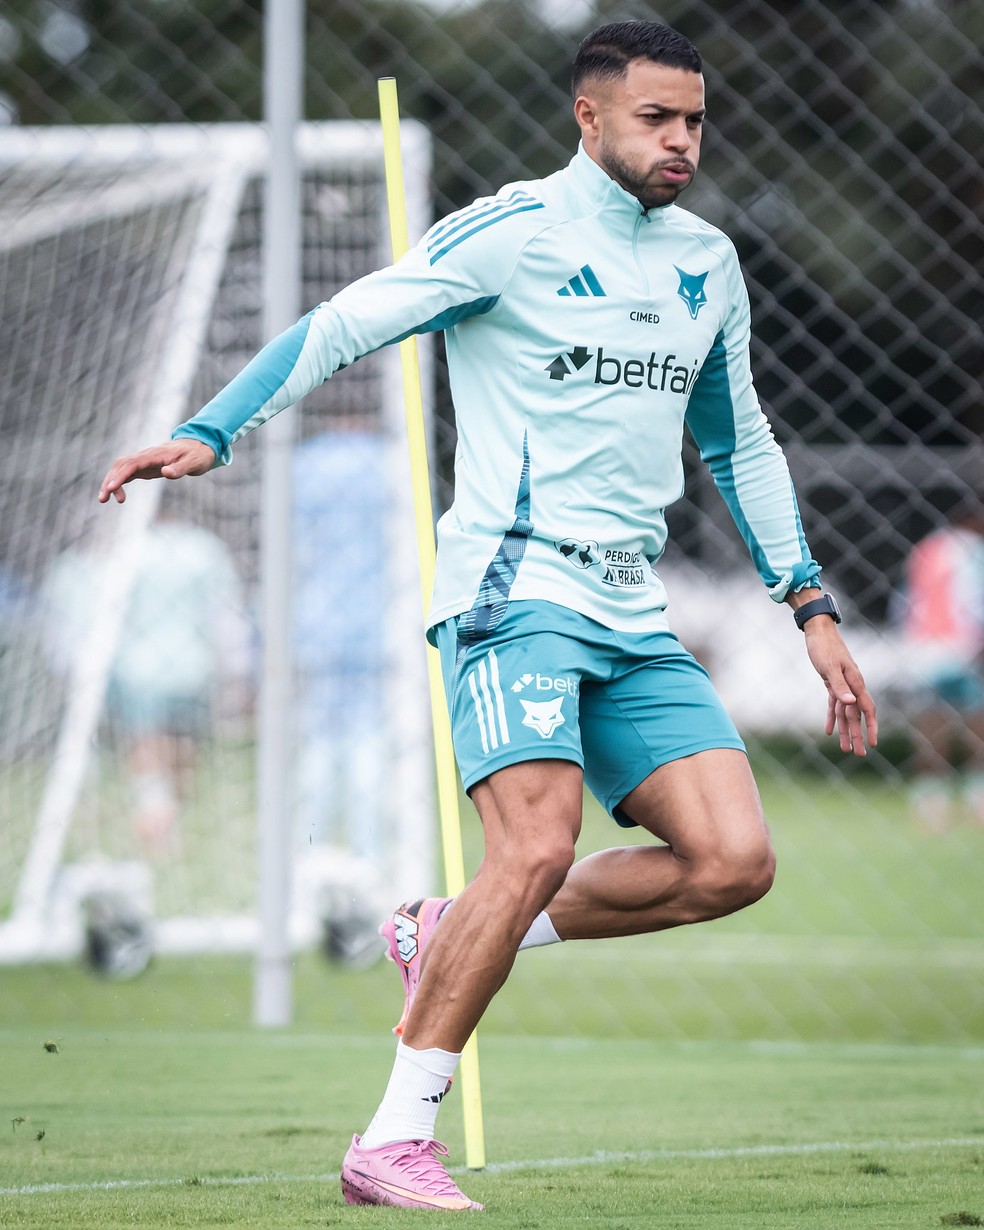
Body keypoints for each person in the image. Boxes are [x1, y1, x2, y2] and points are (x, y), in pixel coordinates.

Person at [99, 20, 877, 1212]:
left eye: (695, 121)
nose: (682, 141)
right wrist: (214, 430)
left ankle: (450, 927)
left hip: (630, 600)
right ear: (589, 115)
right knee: (537, 845)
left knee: (733, 862)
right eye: (656, 119)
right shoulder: (511, 231)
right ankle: (393, 1139)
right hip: (513, 588)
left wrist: (811, 608)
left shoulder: (708, 261)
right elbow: (343, 323)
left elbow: (740, 440)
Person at [899, 502, 984, 830]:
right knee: (976, 727)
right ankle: (976, 797)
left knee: (930, 729)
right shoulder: (973, 549)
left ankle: (931, 803)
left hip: (925, 650)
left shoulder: (926, 549)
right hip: (963, 648)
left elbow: (906, 603)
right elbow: (974, 601)